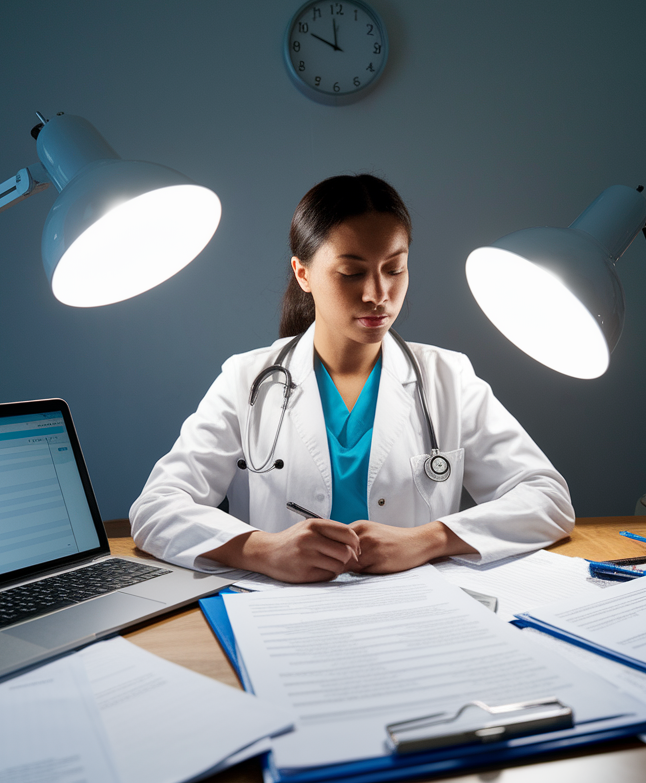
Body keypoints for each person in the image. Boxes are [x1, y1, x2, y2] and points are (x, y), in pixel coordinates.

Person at [130, 174, 573, 582]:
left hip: (419, 614)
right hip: (283, 616)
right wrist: (261, 550)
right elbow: (156, 510)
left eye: (394, 269)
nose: (377, 294)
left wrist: (431, 539)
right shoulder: (247, 380)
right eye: (352, 272)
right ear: (304, 274)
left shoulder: (447, 378)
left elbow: (547, 499)